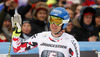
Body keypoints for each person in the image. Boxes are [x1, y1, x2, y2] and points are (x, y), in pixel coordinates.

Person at [12, 7, 80, 57]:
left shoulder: (70, 41)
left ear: (64, 24)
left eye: (57, 21)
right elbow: (17, 49)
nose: (53, 24)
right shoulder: (41, 36)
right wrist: (16, 36)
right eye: (51, 19)